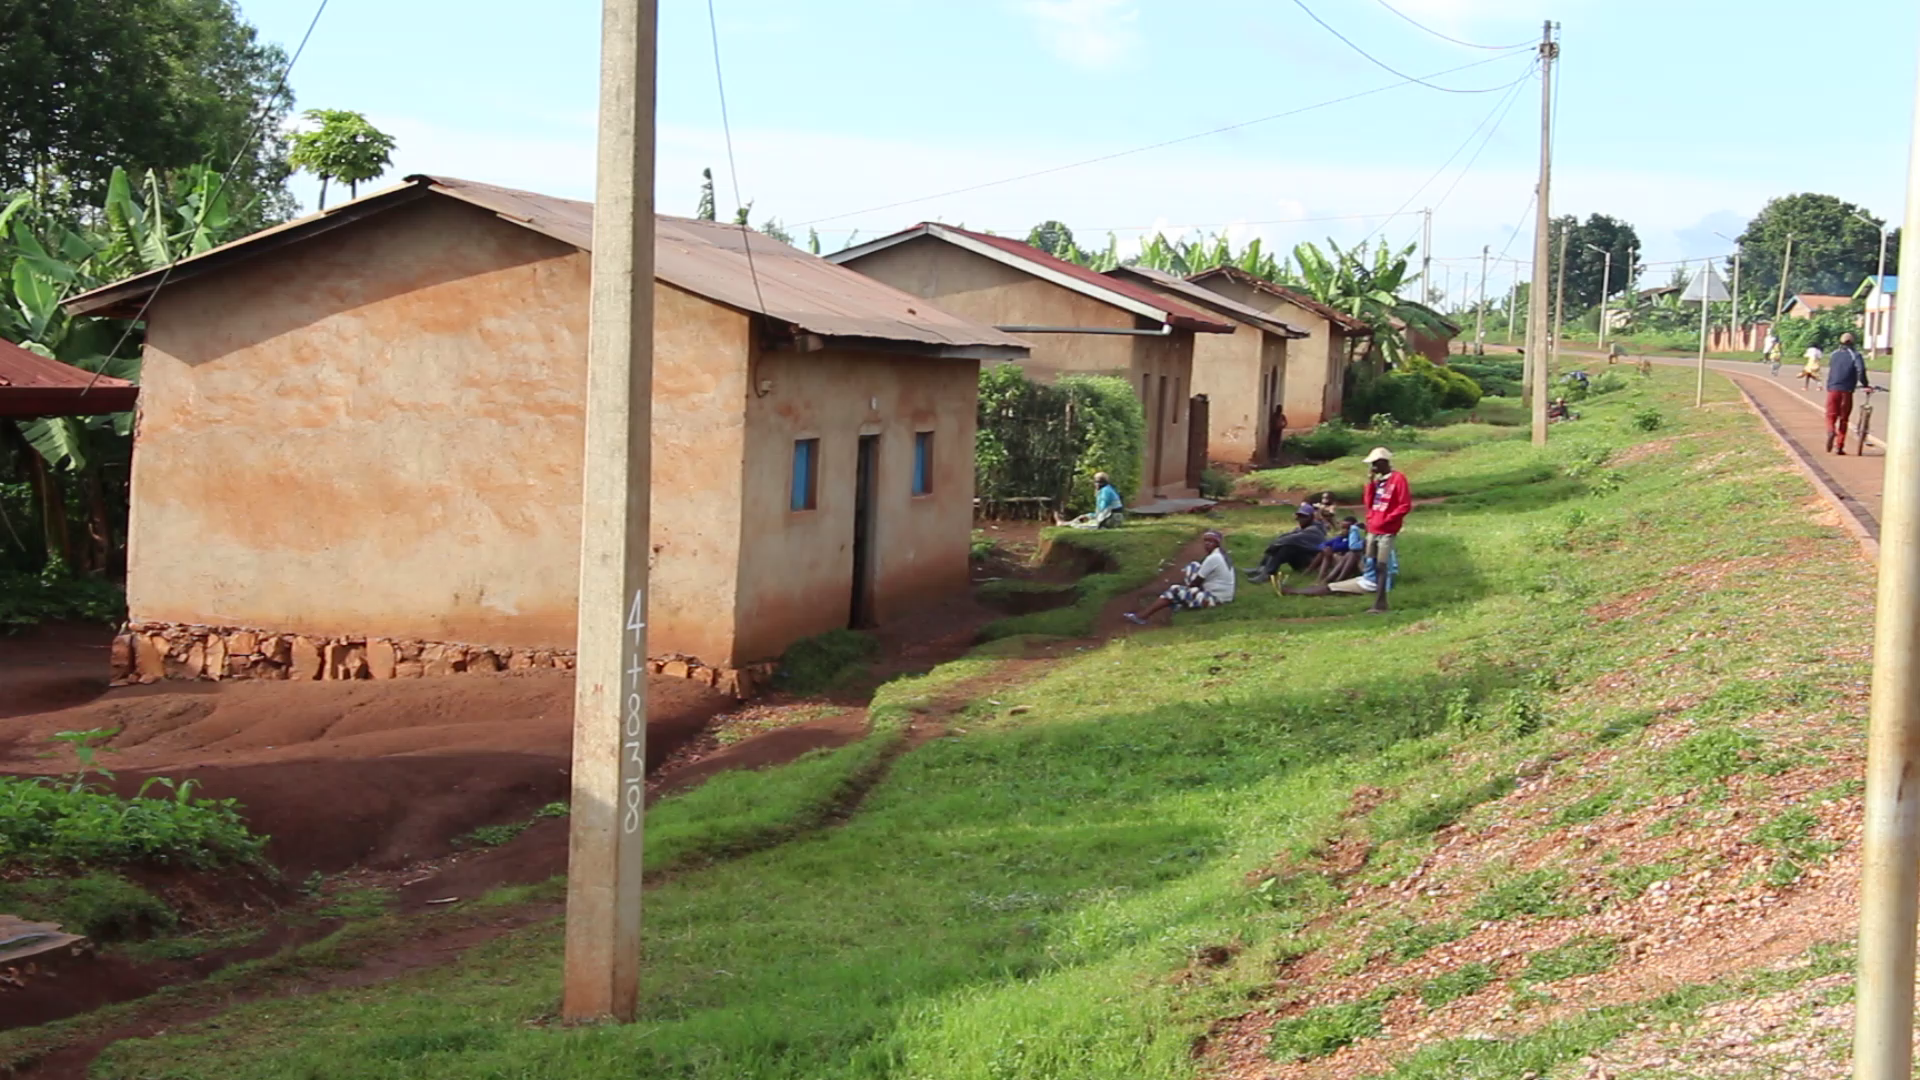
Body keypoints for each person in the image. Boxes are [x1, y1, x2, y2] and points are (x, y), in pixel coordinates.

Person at [1288, 447, 1409, 614]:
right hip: (1373, 528)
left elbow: (1404, 505)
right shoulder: (1379, 482)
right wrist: (1370, 483)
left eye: (1374, 464)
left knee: (1381, 565)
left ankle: (1381, 603)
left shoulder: (1398, 479)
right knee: (1371, 562)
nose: (1372, 468)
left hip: (1386, 529)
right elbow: (1369, 504)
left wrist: (1387, 520)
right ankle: (1326, 584)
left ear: (1383, 462)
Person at [1125, 530, 1235, 624]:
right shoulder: (1221, 555)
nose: (1207, 544)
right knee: (1194, 566)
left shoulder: (1213, 558)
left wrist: (1185, 590)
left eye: (1211, 541)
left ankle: (1141, 616)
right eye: (1206, 541)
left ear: (1217, 543)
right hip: (1224, 595)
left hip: (1215, 599)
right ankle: (1179, 602)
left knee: (1174, 590)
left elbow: (1196, 582)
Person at [1244, 504, 1326, 583]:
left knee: (1287, 547)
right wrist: (1276, 543)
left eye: (1304, 516)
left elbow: (1292, 538)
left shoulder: (1314, 530)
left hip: (1310, 562)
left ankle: (1268, 573)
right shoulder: (1304, 527)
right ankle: (1262, 568)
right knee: (1280, 544)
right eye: (1299, 516)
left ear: (1311, 517)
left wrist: (1275, 544)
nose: (1300, 519)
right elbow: (1285, 536)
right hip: (1303, 558)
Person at [1825, 332, 1869, 455]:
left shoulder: (1834, 355)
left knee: (1830, 415)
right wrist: (1865, 384)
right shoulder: (1855, 355)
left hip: (1833, 388)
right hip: (1847, 390)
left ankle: (1830, 430)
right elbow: (1860, 370)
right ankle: (1839, 446)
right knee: (1844, 419)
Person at [1059, 472, 1124, 529]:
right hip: (1114, 517)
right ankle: (1067, 523)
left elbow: (1102, 509)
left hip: (1112, 519)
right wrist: (1090, 515)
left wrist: (1091, 516)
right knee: (1085, 517)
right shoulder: (1108, 489)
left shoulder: (1105, 492)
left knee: (1085, 524)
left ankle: (1067, 524)